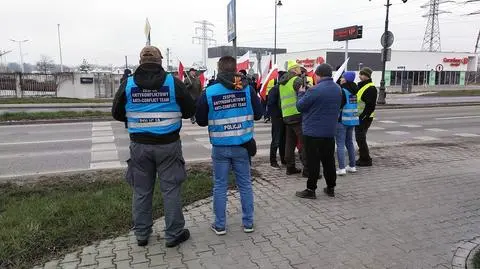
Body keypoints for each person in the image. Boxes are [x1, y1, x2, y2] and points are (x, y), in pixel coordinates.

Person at [112, 46, 195, 247]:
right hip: (168, 146)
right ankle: (173, 234)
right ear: (160, 62)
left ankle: (142, 234)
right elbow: (189, 110)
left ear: (140, 61)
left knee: (141, 191)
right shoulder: (173, 83)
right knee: (171, 190)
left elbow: (116, 113)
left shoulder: (128, 84)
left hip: (139, 146)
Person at [195, 56, 263, 235]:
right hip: (242, 145)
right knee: (245, 185)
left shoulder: (210, 91)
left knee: (220, 186)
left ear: (219, 69)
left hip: (220, 147)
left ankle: (220, 225)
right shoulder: (246, 88)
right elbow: (259, 114)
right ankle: (248, 223)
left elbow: (201, 120)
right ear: (235, 69)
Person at [295, 63, 342, 199]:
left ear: (318, 75)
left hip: (313, 133)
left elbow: (300, 106)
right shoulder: (337, 89)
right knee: (329, 161)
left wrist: (301, 94)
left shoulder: (314, 90)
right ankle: (331, 187)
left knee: (313, 162)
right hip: (329, 132)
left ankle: (311, 189)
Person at [278, 60, 308, 176]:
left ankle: (290, 167)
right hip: (298, 114)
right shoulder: (297, 80)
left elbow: (280, 101)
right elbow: (305, 97)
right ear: (295, 70)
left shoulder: (282, 83)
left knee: (289, 143)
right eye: (299, 68)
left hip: (287, 115)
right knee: (304, 142)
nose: (301, 70)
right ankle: (308, 169)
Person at [336, 71, 359, 176]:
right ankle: (352, 166)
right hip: (352, 119)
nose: (340, 79)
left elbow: (339, 106)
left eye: (342, 78)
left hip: (342, 120)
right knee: (349, 143)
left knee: (340, 144)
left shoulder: (342, 90)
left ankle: (341, 168)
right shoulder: (354, 90)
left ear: (346, 79)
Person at [355, 67, 378, 167]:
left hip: (364, 117)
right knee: (360, 138)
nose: (359, 76)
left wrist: (364, 116)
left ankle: (366, 159)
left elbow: (370, 105)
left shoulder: (370, 88)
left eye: (361, 74)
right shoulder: (362, 86)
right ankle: (363, 157)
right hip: (360, 116)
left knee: (360, 138)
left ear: (366, 76)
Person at [267, 71, 287, 169]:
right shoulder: (275, 89)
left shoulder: (284, 89)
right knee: (276, 140)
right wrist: (276, 115)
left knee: (284, 140)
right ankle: (273, 161)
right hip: (278, 118)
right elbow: (270, 104)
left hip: (285, 117)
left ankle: (283, 159)